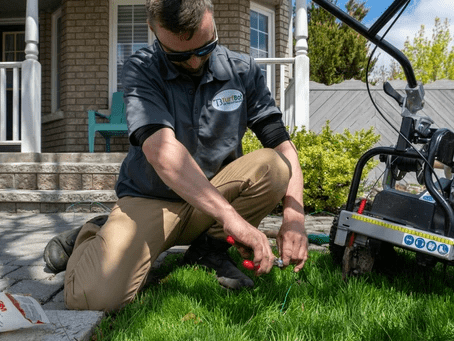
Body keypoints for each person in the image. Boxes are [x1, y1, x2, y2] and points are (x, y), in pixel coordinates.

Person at [43, 0, 308, 312]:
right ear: (154, 31)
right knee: (94, 298)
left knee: (274, 167)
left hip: (213, 197)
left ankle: (209, 251)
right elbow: (162, 152)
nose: (195, 63)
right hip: (151, 200)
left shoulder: (243, 71)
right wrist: (232, 219)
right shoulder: (143, 68)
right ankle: (95, 232)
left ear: (214, 23)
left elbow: (282, 146)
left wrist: (294, 216)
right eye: (180, 55)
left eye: (205, 47)